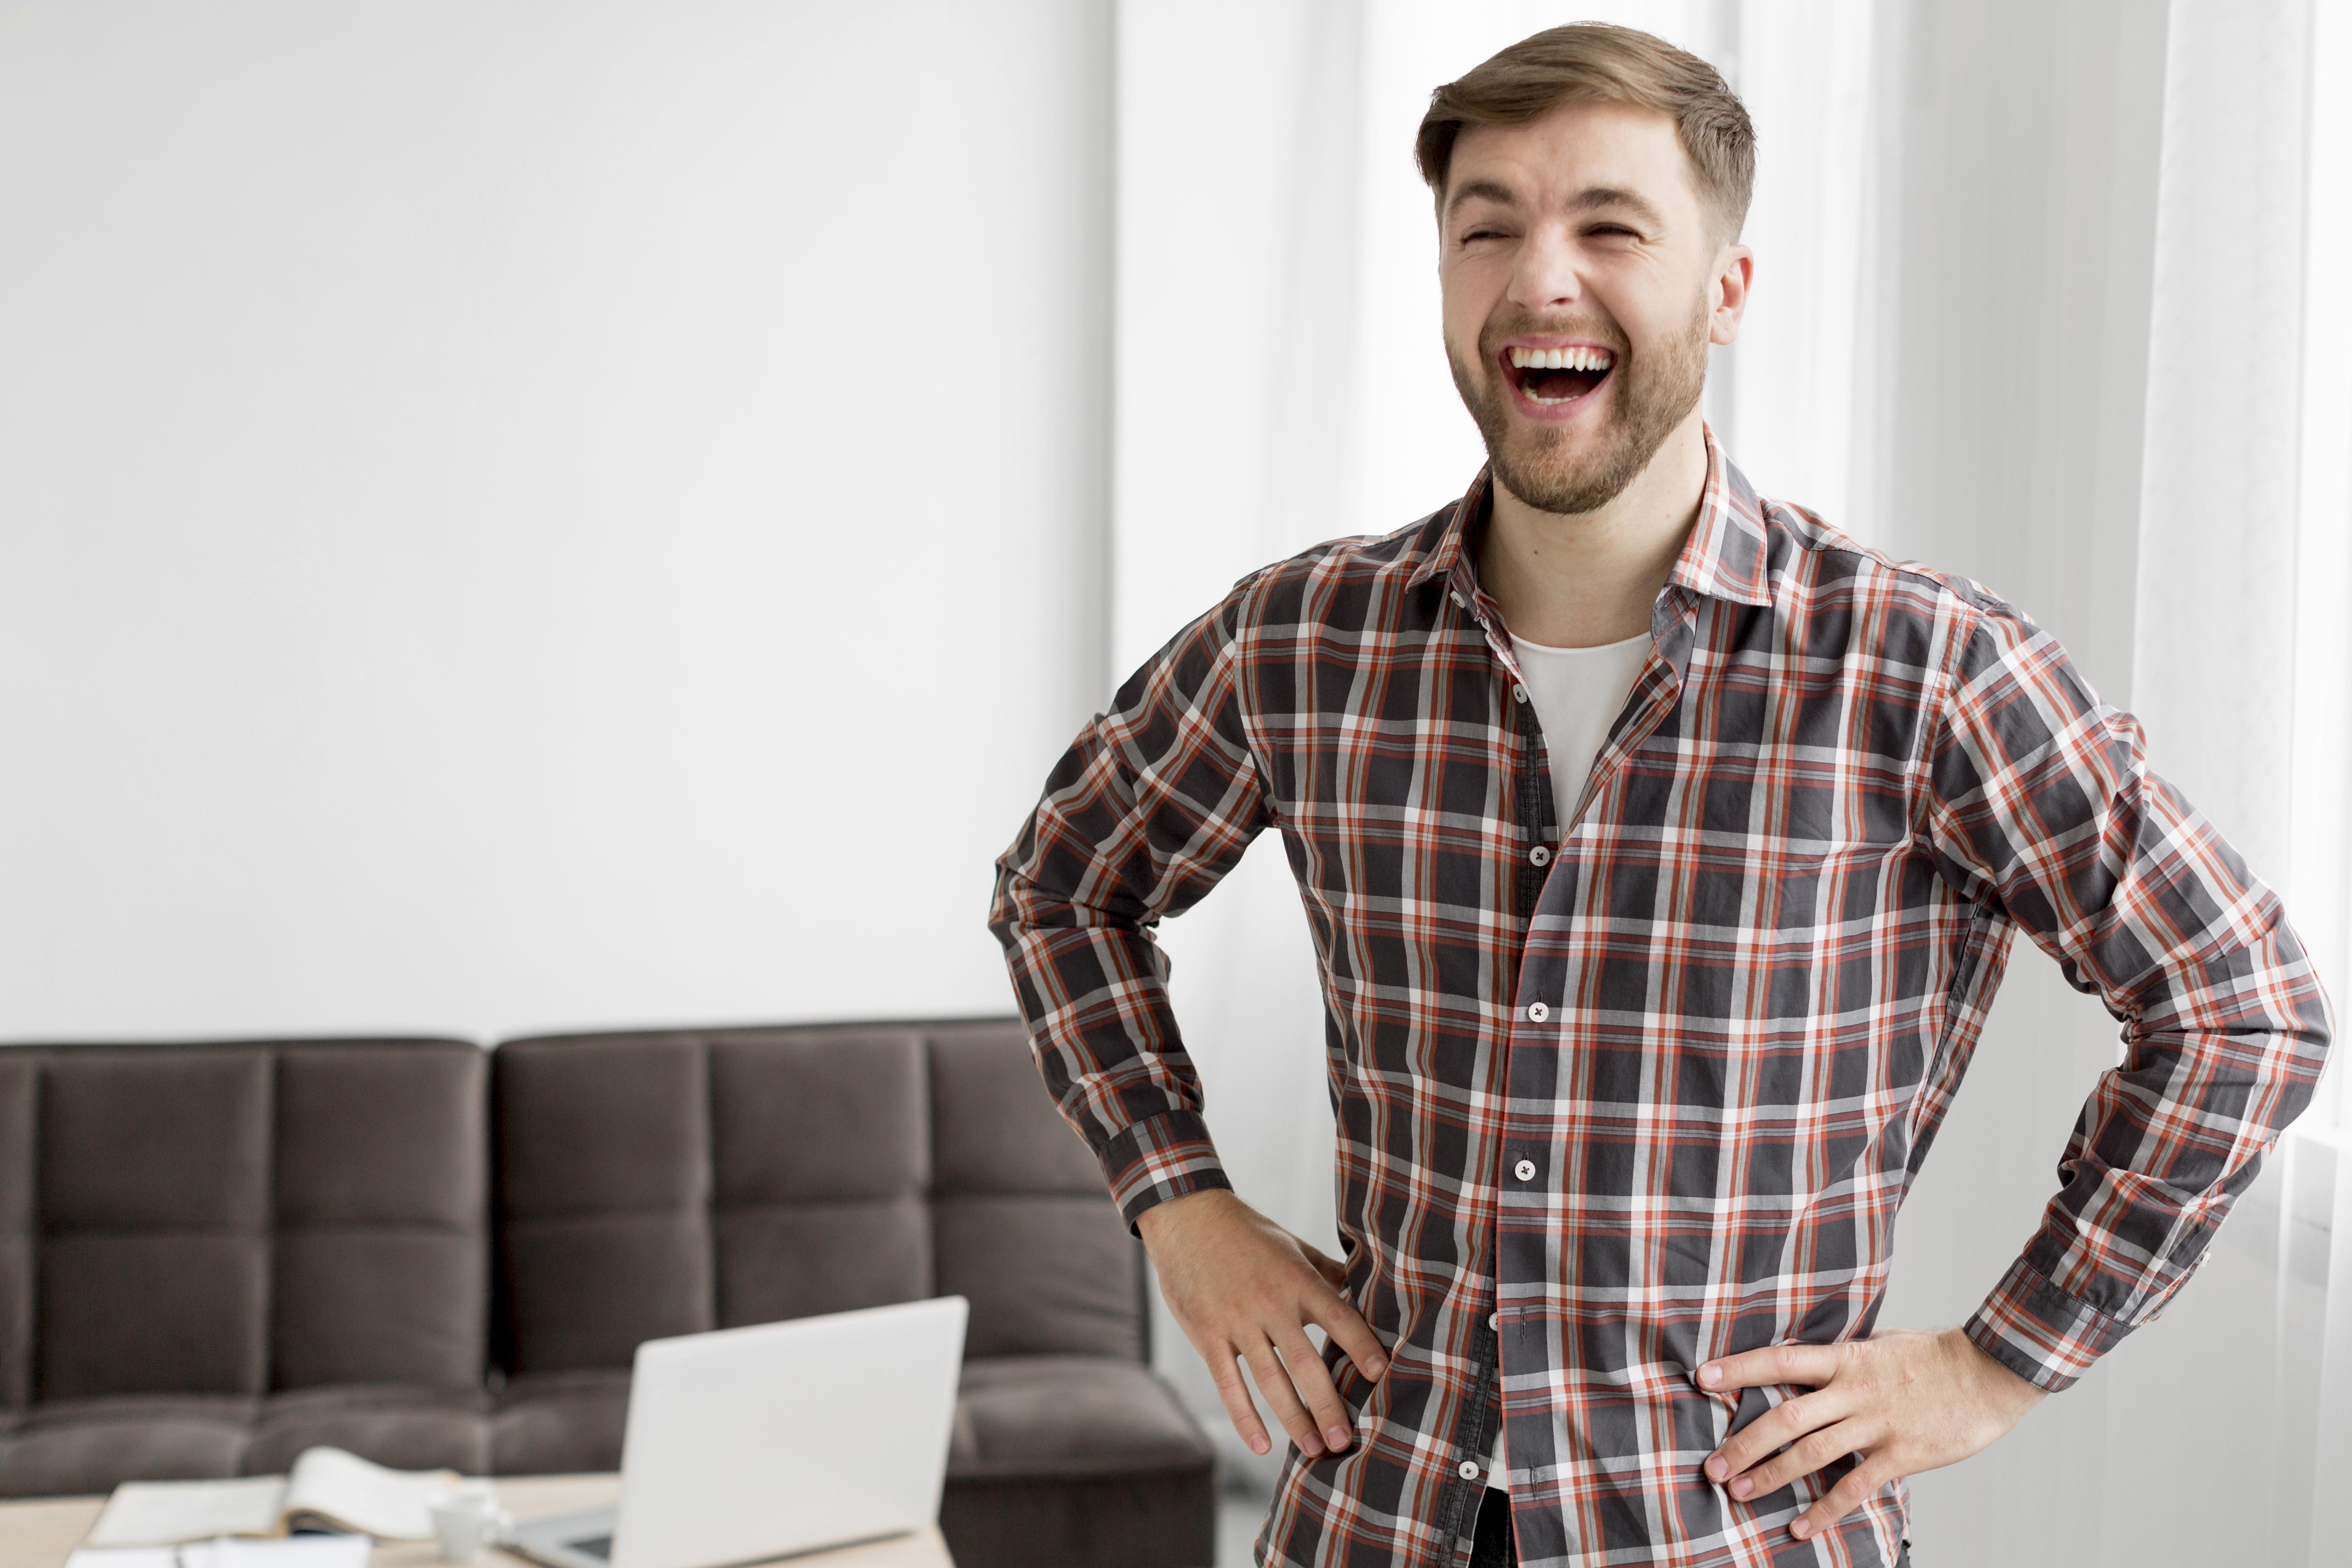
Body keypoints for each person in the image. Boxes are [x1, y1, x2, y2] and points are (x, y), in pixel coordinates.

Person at [988, 22, 2330, 1568]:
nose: (1540, 276)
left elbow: (2245, 1007)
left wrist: (1994, 1362)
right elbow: (1061, 888)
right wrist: (1182, 1206)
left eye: (1610, 226)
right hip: (1375, 1514)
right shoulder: (1299, 643)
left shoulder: (1925, 666)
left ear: (1725, 292)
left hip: (1730, 1539)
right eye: (1486, 226)